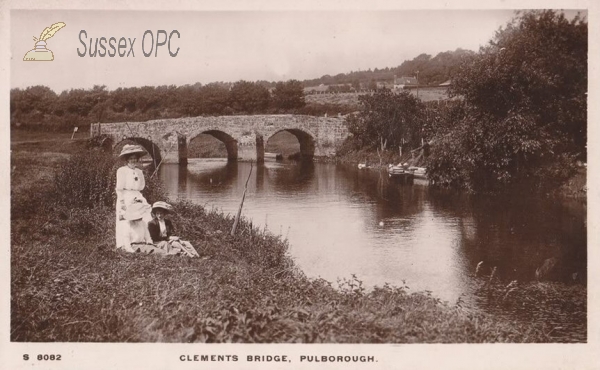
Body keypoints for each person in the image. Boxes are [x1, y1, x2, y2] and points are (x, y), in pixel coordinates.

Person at [115, 144, 152, 250]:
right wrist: (122, 203)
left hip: (137, 196)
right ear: (127, 160)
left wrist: (138, 197)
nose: (133, 160)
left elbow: (141, 186)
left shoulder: (140, 171)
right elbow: (119, 189)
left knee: (144, 217)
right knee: (126, 220)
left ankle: (143, 240)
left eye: (135, 158)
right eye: (131, 158)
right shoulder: (121, 171)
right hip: (125, 196)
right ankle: (124, 244)